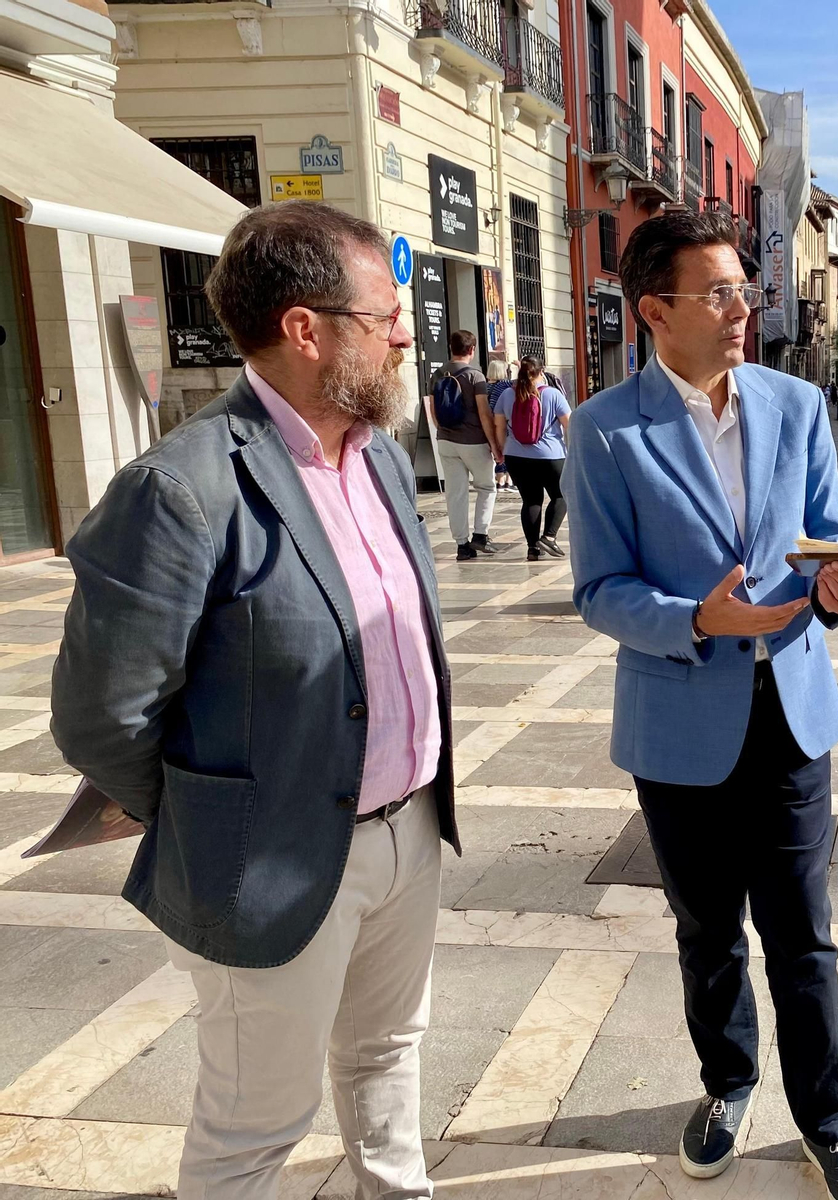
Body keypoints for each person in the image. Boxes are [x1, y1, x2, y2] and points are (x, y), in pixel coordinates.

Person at [50, 200, 458, 1200]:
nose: (406, 332)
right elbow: (102, 715)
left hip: (411, 829)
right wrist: (216, 813)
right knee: (254, 1125)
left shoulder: (380, 461)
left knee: (386, 1058)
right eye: (384, 314)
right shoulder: (182, 488)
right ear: (305, 330)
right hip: (271, 856)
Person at [565, 209, 838, 1200]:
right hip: (675, 729)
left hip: (791, 717)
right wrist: (695, 620)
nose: (744, 306)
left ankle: (828, 1123)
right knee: (707, 935)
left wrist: (836, 589)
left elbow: (822, 542)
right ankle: (727, 1086)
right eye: (719, 291)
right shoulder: (602, 431)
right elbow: (598, 590)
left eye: (744, 287)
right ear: (655, 309)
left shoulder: (795, 407)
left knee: (804, 933)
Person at [429, 329, 504, 557]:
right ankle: (480, 535)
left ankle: (462, 545)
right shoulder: (475, 376)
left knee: (456, 493)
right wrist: (494, 445)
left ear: (451, 348)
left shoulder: (437, 374)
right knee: (486, 487)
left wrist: (443, 431)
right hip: (473, 441)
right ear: (472, 350)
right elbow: (483, 413)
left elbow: (433, 411)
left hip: (446, 441)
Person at [493, 353, 572, 561]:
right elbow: (569, 424)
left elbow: (499, 426)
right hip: (551, 456)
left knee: (530, 500)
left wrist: (501, 450)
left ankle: (532, 548)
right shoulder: (553, 395)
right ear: (541, 371)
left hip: (516, 456)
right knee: (561, 494)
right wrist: (572, 450)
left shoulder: (507, 395)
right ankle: (549, 536)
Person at [488, 360, 515, 490]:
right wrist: (520, 366)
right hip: (502, 420)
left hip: (488, 422)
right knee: (507, 448)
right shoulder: (504, 385)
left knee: (496, 450)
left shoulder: (484, 386)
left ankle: (499, 479)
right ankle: (508, 480)